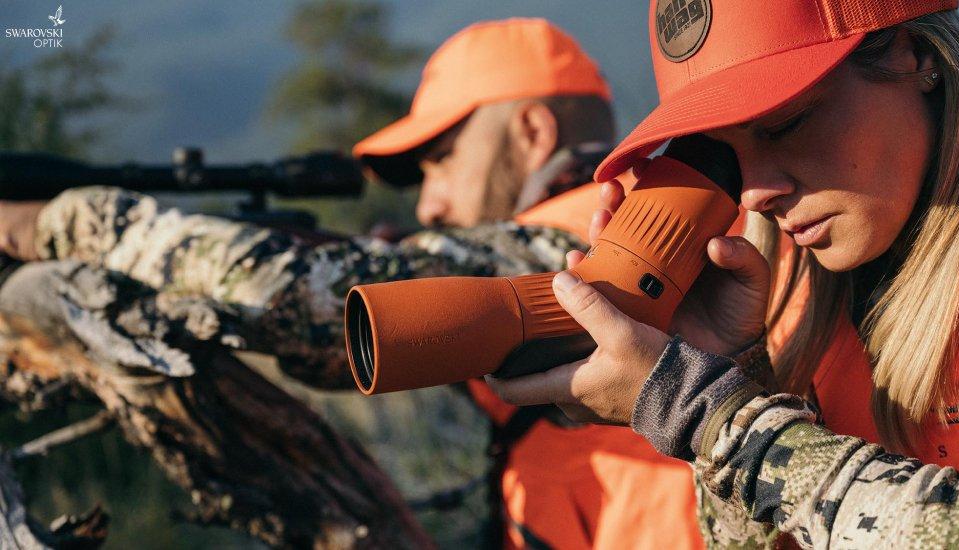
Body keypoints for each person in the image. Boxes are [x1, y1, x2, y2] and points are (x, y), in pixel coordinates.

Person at [0, 19, 704, 549]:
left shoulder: (599, 242)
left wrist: (62, 224)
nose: (429, 203)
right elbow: (333, 347)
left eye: (441, 160)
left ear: (531, 130)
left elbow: (306, 298)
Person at [487, 0, 959, 547]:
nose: (753, 193)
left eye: (784, 125)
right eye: (725, 156)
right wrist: (734, 368)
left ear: (915, 55)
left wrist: (706, 414)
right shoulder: (799, 288)